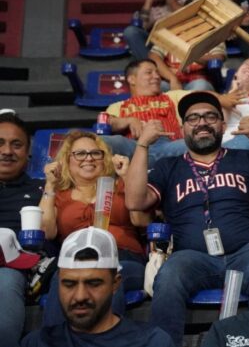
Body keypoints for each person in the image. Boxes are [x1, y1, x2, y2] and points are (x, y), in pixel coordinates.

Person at [123, 91, 249, 346]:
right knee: (168, 278)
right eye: (193, 118)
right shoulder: (168, 166)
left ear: (223, 125)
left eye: (211, 116)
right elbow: (135, 201)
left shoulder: (245, 158)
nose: (202, 122)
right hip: (191, 256)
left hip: (246, 253)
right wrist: (142, 145)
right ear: (182, 128)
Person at [39, 130, 150, 326]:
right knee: (62, 277)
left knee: (110, 277)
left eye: (95, 153)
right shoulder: (60, 195)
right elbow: (46, 232)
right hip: (75, 260)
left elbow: (141, 220)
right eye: (80, 153)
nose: (88, 159)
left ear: (104, 158)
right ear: (67, 160)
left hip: (123, 257)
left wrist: (127, 177)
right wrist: (50, 185)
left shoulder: (119, 186)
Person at [21, 227, 174, 347]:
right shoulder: (36, 343)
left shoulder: (151, 342)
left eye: (93, 284)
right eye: (69, 284)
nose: (80, 296)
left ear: (115, 283)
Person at [0, 113, 43, 347]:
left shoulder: (41, 191)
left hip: (12, 269)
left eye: (16, 145)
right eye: (0, 143)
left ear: (28, 153)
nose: (7, 151)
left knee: (5, 280)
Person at [101, 59, 189, 164]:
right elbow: (105, 123)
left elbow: (211, 97)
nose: (157, 76)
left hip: (170, 146)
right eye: (149, 72)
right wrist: (129, 120)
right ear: (132, 79)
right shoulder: (118, 106)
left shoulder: (172, 96)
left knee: (200, 143)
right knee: (98, 142)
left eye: (157, 73)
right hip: (133, 147)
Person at [124, 0, 197, 60]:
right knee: (130, 31)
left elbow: (185, 15)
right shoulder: (153, 10)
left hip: (183, 44)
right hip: (158, 49)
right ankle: (152, 67)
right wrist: (149, 1)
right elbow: (139, 28)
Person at [148, 39, 225, 92]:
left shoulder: (212, 33)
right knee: (153, 86)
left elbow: (217, 58)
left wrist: (190, 55)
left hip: (199, 80)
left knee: (201, 86)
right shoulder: (169, 33)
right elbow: (153, 57)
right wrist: (172, 78)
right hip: (170, 81)